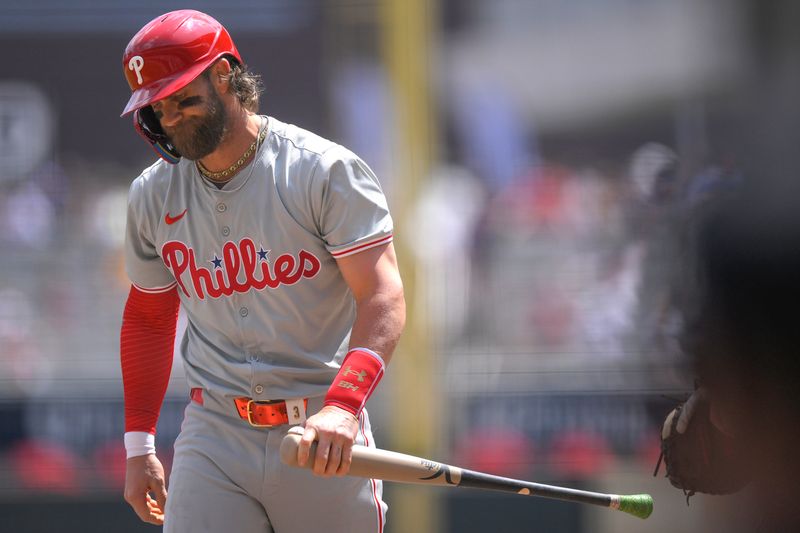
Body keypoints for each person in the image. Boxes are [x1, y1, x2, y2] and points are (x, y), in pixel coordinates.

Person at [118, 10, 405, 533]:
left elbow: (383, 297)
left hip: (319, 429)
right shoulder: (152, 193)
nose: (172, 120)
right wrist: (139, 444)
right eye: (158, 109)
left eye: (184, 98)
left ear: (225, 75)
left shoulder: (323, 171)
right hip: (215, 430)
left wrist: (344, 407)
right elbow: (148, 318)